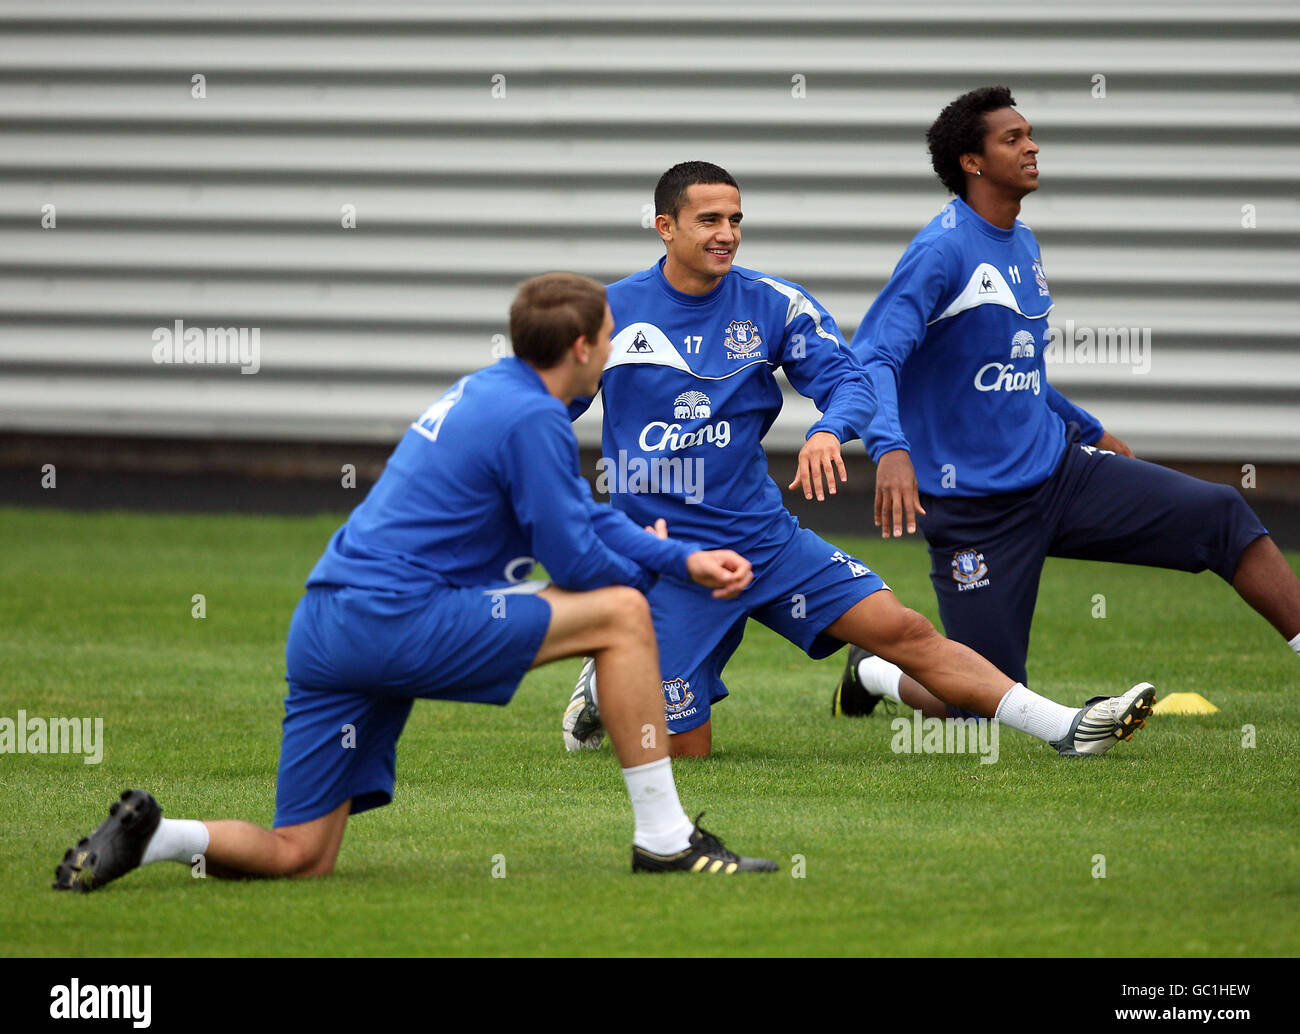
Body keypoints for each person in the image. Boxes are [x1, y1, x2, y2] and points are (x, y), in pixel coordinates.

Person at [53, 272, 780, 892]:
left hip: (324, 626)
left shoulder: (492, 390)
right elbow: (583, 564)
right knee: (620, 613)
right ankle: (666, 841)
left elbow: (580, 515)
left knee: (302, 855)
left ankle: (158, 837)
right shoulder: (534, 419)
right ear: (583, 347)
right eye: (612, 336)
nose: (617, 349)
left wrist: (679, 558)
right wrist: (645, 572)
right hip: (394, 620)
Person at [562, 161, 1155, 761]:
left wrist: (828, 430)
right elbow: (547, 410)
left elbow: (852, 381)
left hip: (764, 542)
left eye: (736, 220)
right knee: (687, 753)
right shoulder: (609, 313)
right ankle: (611, 675)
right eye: (708, 220)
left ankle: (1067, 728)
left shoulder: (775, 304)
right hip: (670, 560)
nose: (727, 234)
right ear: (664, 226)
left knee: (906, 630)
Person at [833, 86, 1300, 721]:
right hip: (977, 511)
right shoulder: (941, 252)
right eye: (1013, 138)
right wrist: (889, 449)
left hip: (1061, 475)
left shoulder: (1023, 243)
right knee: (979, 702)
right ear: (972, 163)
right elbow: (874, 358)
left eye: (1030, 135)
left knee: (1222, 516)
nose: (1032, 147)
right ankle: (876, 672)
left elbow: (1016, 371)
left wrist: (1089, 430)